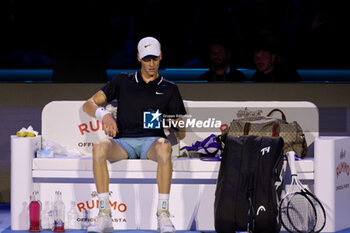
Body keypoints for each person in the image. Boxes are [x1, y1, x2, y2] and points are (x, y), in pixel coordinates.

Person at [82, 36, 186, 233]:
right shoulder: (123, 80)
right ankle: (104, 213)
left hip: (153, 143)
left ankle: (163, 214)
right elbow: (89, 104)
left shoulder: (170, 89)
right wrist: (104, 115)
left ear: (161, 56)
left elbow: (180, 132)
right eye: (147, 59)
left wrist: (173, 123)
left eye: (154, 58)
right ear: (139, 58)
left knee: (164, 146)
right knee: (99, 148)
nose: (151, 64)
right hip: (123, 143)